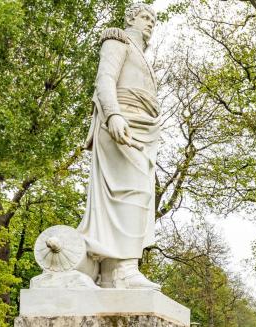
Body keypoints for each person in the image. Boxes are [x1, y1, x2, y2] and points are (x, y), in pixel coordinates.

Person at [78, 3, 161, 289]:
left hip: (143, 129)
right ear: (130, 18)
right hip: (121, 122)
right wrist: (113, 113)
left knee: (140, 194)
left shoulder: (143, 55)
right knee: (130, 190)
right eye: (144, 17)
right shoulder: (117, 40)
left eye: (153, 19)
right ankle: (123, 269)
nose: (150, 23)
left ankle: (116, 267)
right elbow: (105, 79)